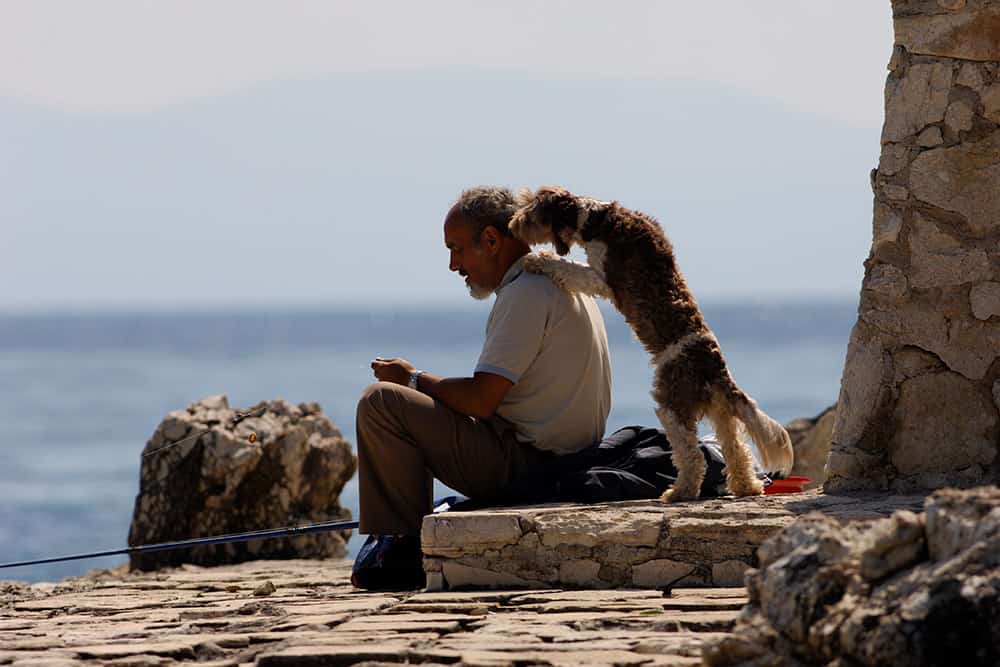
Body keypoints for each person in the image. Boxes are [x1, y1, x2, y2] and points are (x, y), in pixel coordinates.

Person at [352, 186, 612, 590]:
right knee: (407, 399)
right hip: (572, 460)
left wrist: (412, 379)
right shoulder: (559, 279)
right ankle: (400, 537)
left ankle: (400, 548)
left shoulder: (525, 292)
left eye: (456, 249)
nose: (454, 265)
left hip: (530, 466)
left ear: (491, 240)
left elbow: (481, 400)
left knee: (382, 401)